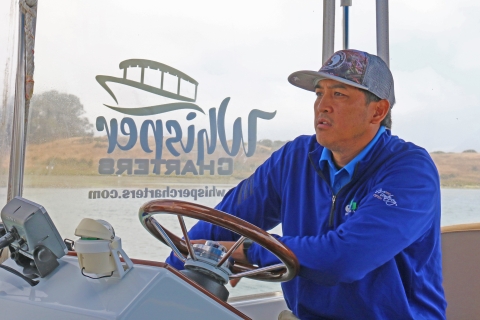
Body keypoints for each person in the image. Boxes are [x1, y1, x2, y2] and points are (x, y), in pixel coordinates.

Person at [166, 49, 447, 319]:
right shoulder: (295, 158)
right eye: (319, 93)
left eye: (339, 94)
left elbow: (344, 258)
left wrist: (248, 251)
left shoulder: (410, 171)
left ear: (377, 111)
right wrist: (171, 275)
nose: (322, 105)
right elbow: (220, 223)